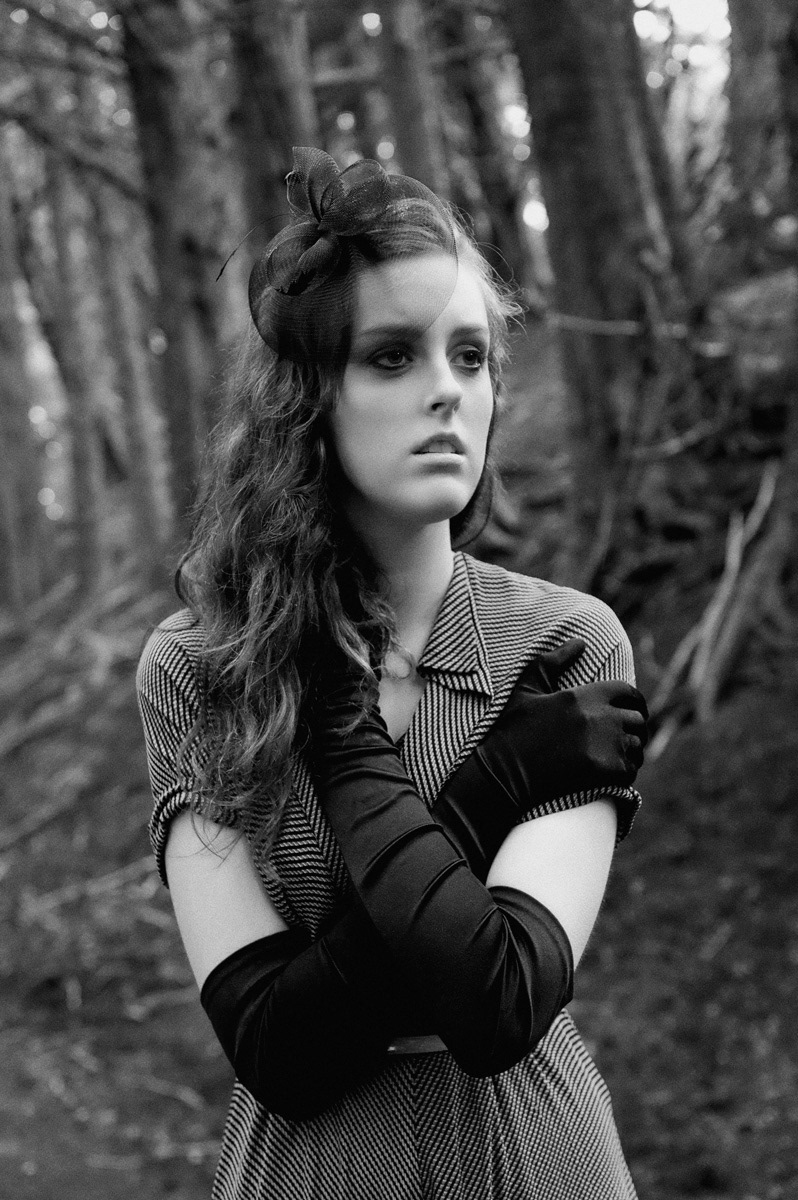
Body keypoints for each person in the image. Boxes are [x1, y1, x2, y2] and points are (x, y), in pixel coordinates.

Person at [136, 147, 649, 1199]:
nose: (446, 392)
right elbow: (278, 1047)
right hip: (316, 1166)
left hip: (531, 1155)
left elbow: (497, 1001)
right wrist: (483, 778)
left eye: (470, 356)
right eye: (391, 357)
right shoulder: (201, 668)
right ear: (308, 400)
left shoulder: (564, 646)